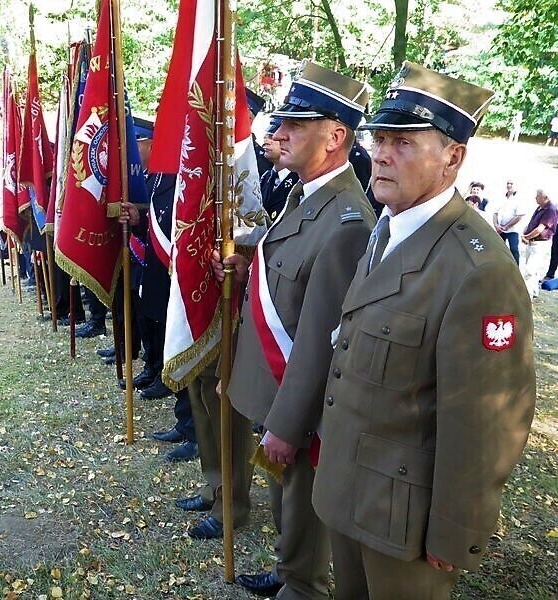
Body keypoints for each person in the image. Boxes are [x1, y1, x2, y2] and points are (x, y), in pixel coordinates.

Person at [312, 61, 536, 600]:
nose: (382, 154)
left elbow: (486, 425)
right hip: (350, 492)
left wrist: (454, 533)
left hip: (406, 524)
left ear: (453, 158)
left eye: (405, 143)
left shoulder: (478, 270)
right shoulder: (387, 225)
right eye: (380, 138)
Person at [216, 60, 375, 598]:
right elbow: (290, 282)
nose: (277, 133)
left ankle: (301, 584)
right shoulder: (304, 193)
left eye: (295, 124)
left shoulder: (347, 219)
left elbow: (320, 340)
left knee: (302, 508)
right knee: (286, 503)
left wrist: (286, 424)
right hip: (274, 389)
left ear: (335, 137)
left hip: (299, 407)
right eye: (280, 122)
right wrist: (249, 268)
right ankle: (290, 570)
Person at [520, 189, 557, 298]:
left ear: (545, 198)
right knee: (533, 272)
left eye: (538, 196)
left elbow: (539, 229)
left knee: (530, 271)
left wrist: (526, 237)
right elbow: (532, 223)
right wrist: (525, 233)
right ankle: (534, 292)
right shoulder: (540, 207)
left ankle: (527, 296)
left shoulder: (550, 210)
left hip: (539, 244)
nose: (535, 198)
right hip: (532, 242)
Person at [493, 179, 526, 264]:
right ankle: (500, 267)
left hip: (512, 230)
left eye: (511, 183)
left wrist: (506, 227)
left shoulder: (519, 199)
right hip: (500, 229)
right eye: (508, 183)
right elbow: (495, 213)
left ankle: (516, 270)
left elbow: (519, 216)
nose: (509, 185)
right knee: (499, 249)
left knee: (514, 249)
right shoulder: (501, 198)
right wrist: (496, 226)